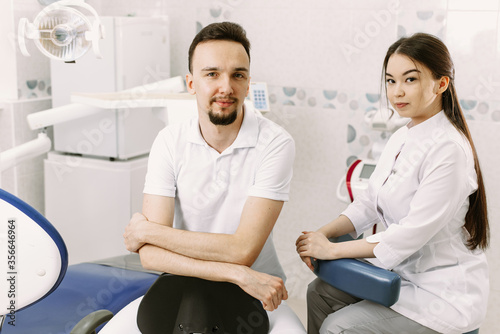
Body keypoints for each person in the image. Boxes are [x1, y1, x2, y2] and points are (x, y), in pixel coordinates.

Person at [99, 22, 306, 333]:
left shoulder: (275, 144)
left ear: (248, 83)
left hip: (253, 295)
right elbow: (151, 257)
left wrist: (148, 231)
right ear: (191, 83)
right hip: (184, 285)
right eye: (212, 74)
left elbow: (242, 251)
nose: (226, 87)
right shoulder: (169, 142)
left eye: (238, 75)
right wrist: (236, 273)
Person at [296, 33, 489, 334]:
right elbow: (369, 203)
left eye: (410, 80)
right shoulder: (401, 136)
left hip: (443, 296)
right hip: (404, 277)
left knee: (339, 327)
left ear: (441, 84)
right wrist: (321, 235)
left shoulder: (449, 149)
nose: (397, 91)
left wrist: (331, 251)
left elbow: (408, 235)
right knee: (319, 293)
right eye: (390, 80)